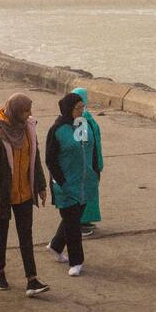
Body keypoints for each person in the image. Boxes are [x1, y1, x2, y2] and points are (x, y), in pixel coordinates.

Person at [0, 93, 50, 295]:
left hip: (25, 192)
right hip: (4, 194)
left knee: (26, 235)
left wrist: (41, 186)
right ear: (16, 111)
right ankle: (0, 272)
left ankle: (32, 279)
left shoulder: (29, 129)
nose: (29, 114)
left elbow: (34, 158)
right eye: (26, 110)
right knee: (2, 234)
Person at [45, 93, 89, 275]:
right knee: (72, 223)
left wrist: (94, 170)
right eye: (78, 108)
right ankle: (76, 262)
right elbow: (50, 160)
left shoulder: (82, 125)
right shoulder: (57, 130)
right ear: (68, 109)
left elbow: (88, 148)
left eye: (83, 107)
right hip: (64, 184)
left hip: (83, 182)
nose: (82, 111)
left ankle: (56, 245)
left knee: (74, 216)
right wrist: (61, 181)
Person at [70, 85, 103, 235]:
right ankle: (81, 223)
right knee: (85, 192)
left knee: (91, 192)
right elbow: (82, 146)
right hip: (87, 163)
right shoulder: (80, 120)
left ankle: (86, 220)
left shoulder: (85, 116)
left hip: (92, 161)